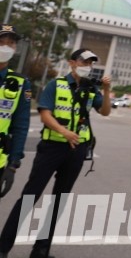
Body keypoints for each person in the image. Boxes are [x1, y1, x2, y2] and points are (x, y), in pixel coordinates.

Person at [0, 47, 110, 258]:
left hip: (77, 150)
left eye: (90, 63)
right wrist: (64, 132)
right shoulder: (56, 85)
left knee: (59, 200)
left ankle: (41, 249)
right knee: (29, 197)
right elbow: (45, 114)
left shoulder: (90, 89)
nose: (87, 66)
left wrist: (106, 90)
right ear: (71, 63)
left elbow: (104, 111)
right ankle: (3, 247)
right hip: (52, 148)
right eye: (83, 61)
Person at [0, 26, 32, 200]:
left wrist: (13, 165)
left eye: (10, 43)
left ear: (15, 49)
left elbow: (21, 125)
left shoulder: (21, 83)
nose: (5, 47)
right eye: (1, 42)